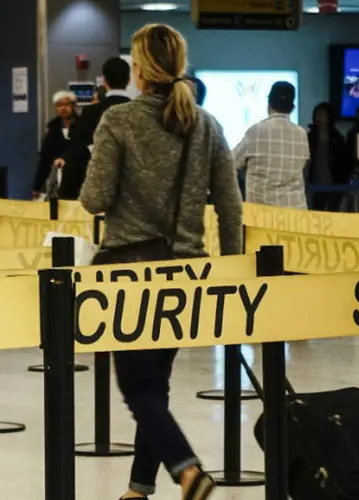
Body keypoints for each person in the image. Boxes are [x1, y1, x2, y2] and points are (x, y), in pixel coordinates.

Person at [79, 23, 241, 500]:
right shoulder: (206, 124)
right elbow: (230, 207)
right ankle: (138, 488)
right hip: (188, 270)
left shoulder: (120, 120)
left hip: (129, 270)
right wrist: (231, 268)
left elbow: (94, 199)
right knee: (157, 383)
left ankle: (187, 470)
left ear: (139, 69)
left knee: (137, 388)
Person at [58, 57, 131, 200]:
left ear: (104, 81)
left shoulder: (91, 112)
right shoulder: (138, 112)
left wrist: (65, 194)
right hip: (130, 191)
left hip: (98, 189)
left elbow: (78, 153)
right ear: (129, 80)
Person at [233, 81, 310, 208]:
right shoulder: (302, 134)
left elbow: (231, 163)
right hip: (295, 215)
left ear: (269, 103)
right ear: (292, 108)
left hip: (262, 217)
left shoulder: (256, 131)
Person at [32, 90, 78, 199]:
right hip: (57, 176)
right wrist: (37, 186)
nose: (63, 108)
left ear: (73, 106)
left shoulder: (82, 125)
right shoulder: (53, 128)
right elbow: (45, 158)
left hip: (77, 176)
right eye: (59, 105)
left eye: (66, 105)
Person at [306, 102, 350, 210]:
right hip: (315, 183)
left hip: (335, 183)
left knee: (334, 212)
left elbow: (344, 161)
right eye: (317, 115)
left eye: (322, 115)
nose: (319, 118)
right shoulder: (309, 137)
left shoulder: (337, 138)